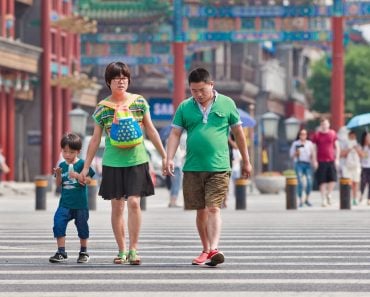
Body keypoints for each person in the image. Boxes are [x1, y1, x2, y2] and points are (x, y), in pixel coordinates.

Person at [79, 61, 166, 265]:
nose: (121, 81)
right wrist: (86, 166)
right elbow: (94, 139)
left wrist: (164, 156)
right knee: (117, 208)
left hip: (137, 159)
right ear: (109, 82)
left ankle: (134, 249)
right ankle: (122, 250)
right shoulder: (102, 108)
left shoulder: (139, 102)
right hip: (113, 161)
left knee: (135, 203)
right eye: (117, 78)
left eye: (124, 78)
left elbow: (151, 130)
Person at [165, 67, 252, 266]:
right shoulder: (185, 107)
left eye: (202, 90)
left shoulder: (227, 103)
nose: (198, 94)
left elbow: (238, 134)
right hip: (193, 167)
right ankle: (206, 249)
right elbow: (175, 134)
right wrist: (169, 158)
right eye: (193, 90)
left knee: (213, 208)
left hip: (219, 166)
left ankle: (213, 248)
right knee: (200, 210)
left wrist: (246, 160)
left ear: (211, 85)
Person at [49, 132, 95, 263]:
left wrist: (78, 176)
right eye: (65, 151)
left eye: (71, 152)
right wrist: (58, 174)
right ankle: (61, 252)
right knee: (58, 223)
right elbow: (59, 184)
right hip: (65, 203)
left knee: (82, 227)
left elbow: (89, 181)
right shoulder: (62, 166)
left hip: (80, 204)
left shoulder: (82, 164)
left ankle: (83, 251)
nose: (67, 155)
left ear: (78, 152)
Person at [311, 117, 340, 207]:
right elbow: (314, 149)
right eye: (323, 124)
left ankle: (329, 194)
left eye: (326, 124)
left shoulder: (332, 133)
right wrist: (314, 160)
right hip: (320, 161)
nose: (324, 126)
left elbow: (337, 147)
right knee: (322, 181)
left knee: (333, 179)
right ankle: (323, 199)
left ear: (329, 124)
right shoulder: (317, 135)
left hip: (331, 160)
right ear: (321, 125)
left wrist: (337, 159)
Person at [289, 128, 316, 207]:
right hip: (299, 163)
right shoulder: (295, 143)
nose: (303, 136)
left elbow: (313, 154)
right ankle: (300, 200)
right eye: (301, 134)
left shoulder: (309, 143)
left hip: (307, 164)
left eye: (304, 134)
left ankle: (307, 199)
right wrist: (296, 153)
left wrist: (314, 161)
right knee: (300, 181)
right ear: (299, 135)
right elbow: (291, 155)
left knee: (309, 181)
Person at [340, 130, 362, 205]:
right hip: (347, 166)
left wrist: (357, 148)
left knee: (356, 182)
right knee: (348, 183)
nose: (352, 137)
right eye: (351, 135)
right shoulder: (345, 143)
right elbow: (341, 154)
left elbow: (363, 155)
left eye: (353, 136)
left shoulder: (358, 144)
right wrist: (349, 149)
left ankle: (355, 198)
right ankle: (347, 197)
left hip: (356, 166)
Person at [167, 133, 186, 208]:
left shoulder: (168, 140)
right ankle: (173, 201)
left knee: (174, 184)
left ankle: (172, 201)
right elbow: (179, 155)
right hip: (176, 165)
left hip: (173, 164)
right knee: (176, 184)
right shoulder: (175, 142)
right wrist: (183, 152)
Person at [359, 131, 370, 205]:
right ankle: (361, 195)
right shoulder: (361, 146)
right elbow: (362, 156)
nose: (368, 138)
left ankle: (369, 199)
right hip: (363, 167)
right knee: (363, 182)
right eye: (367, 137)